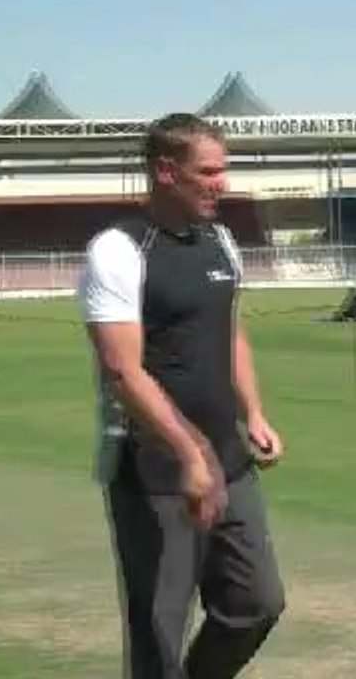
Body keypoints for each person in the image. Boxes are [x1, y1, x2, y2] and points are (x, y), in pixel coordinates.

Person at [77, 112, 287, 678]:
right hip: (154, 470)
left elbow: (230, 331)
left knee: (256, 603)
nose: (222, 183)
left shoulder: (220, 241)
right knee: (159, 635)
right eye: (208, 172)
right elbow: (122, 370)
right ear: (166, 172)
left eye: (223, 170)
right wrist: (189, 455)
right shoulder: (119, 250)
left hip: (229, 461)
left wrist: (254, 413)